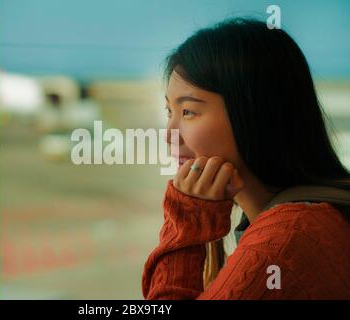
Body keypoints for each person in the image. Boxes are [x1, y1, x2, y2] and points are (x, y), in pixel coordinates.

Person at [142, 18, 350, 300]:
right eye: (169, 112)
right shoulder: (310, 217)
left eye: (188, 111)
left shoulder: (284, 240)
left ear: (253, 115)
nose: (169, 134)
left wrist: (187, 221)